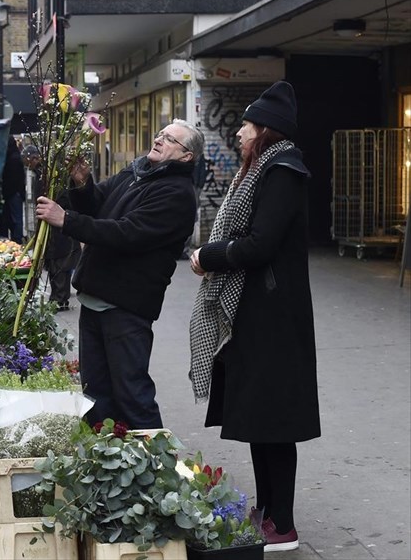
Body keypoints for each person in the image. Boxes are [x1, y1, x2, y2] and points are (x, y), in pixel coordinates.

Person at [188, 81, 319, 553]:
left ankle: (281, 523)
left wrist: (210, 255)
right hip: (258, 314)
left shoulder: (282, 170)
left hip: (274, 318)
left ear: (265, 130)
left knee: (276, 420)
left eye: (246, 124)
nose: (240, 132)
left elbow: (261, 244)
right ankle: (267, 511)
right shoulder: (265, 168)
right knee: (262, 418)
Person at [34, 120, 203, 430]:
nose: (159, 139)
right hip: (96, 297)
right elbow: (98, 204)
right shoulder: (137, 172)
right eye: (160, 134)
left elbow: (127, 233)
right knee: (95, 395)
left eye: (170, 139)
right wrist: (82, 183)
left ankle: (157, 467)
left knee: (131, 395)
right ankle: (107, 466)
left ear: (186, 157)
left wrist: (66, 219)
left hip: (126, 305)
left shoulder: (177, 194)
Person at [22, 144, 81, 311]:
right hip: (53, 226)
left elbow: (65, 200)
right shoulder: (43, 176)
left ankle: (60, 298)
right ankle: (58, 297)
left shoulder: (56, 178)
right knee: (55, 263)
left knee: (60, 264)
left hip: (60, 227)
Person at [0, 138, 26, 242]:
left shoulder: (12, 159)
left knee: (15, 218)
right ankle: (16, 238)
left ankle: (17, 239)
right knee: (15, 217)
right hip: (15, 192)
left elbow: (12, 179)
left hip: (13, 193)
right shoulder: (15, 156)